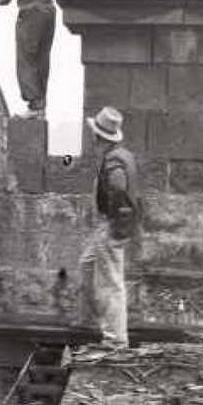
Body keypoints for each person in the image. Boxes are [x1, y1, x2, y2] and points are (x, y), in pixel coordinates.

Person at [79, 107, 141, 348]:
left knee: (111, 283)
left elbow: (118, 188)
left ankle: (115, 340)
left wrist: (115, 225)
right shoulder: (121, 154)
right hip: (111, 224)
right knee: (87, 264)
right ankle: (87, 320)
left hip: (112, 225)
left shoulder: (114, 160)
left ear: (98, 137)